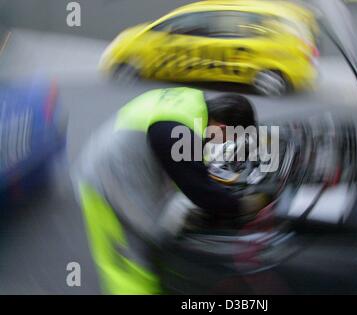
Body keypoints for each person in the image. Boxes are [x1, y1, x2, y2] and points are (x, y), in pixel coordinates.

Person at [72, 87, 267, 294]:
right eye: (228, 139)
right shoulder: (179, 132)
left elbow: (192, 166)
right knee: (131, 264)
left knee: (150, 250)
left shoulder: (193, 104)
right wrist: (244, 205)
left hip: (125, 166)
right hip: (106, 183)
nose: (224, 144)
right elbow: (201, 192)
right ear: (221, 127)